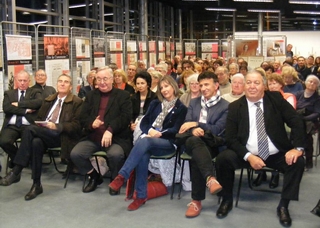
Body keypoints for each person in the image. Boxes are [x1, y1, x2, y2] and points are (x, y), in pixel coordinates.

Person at [216, 70, 306, 227]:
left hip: (275, 153)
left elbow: (296, 121)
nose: (252, 86)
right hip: (247, 153)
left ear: (264, 85)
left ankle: (283, 205)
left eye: (256, 83)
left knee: (298, 162)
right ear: (244, 86)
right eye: (248, 82)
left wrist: (297, 148)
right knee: (223, 158)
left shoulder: (276, 99)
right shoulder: (236, 106)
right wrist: (249, 156)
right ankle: (226, 199)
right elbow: (230, 138)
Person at [109, 75, 187, 211]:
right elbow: (144, 122)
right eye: (161, 87)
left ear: (174, 87)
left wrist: (161, 133)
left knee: (144, 142)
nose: (164, 90)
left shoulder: (181, 108)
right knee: (143, 153)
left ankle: (122, 175)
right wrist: (150, 131)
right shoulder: (155, 104)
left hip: (167, 142)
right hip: (150, 139)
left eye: (167, 86)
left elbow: (176, 129)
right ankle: (141, 196)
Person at [0, 74, 83, 200]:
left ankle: (17, 170)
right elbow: (39, 118)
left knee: (29, 129)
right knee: (36, 143)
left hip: (62, 136)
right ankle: (36, 184)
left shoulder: (77, 102)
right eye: (60, 81)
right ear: (57, 84)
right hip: (44, 133)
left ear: (70, 86)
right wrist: (43, 125)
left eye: (66, 82)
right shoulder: (49, 100)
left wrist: (56, 126)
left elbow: (77, 126)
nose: (62, 84)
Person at [70, 67, 132, 195]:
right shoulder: (91, 96)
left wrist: (110, 130)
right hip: (94, 136)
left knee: (115, 155)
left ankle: (116, 180)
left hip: (116, 138)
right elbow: (82, 117)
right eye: (99, 79)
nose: (102, 82)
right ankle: (94, 176)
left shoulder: (123, 96)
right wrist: (91, 123)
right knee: (76, 154)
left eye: (105, 79)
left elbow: (125, 117)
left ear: (112, 79)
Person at [178, 71, 229, 218]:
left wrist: (197, 124)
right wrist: (194, 128)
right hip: (191, 139)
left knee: (197, 155)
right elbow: (186, 123)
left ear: (216, 85)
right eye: (201, 85)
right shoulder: (194, 103)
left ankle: (196, 201)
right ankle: (210, 179)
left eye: (207, 84)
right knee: (194, 142)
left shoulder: (225, 106)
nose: (203, 88)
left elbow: (218, 130)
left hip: (212, 144)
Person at [0, 70, 42, 167]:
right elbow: (7, 108)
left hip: (28, 125)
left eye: (24, 80)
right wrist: (25, 110)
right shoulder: (9, 94)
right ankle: (18, 159)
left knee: (30, 143)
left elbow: (38, 103)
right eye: (20, 80)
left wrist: (19, 104)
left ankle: (19, 161)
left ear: (29, 81)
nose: (22, 83)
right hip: (12, 125)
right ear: (16, 81)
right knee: (3, 142)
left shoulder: (35, 92)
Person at [295, 75, 320, 171]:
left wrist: (304, 119)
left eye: (314, 83)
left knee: (307, 137)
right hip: (297, 118)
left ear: (317, 86)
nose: (312, 83)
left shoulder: (317, 98)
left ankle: (308, 162)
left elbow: (317, 113)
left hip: (310, 121)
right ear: (306, 82)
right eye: (310, 81)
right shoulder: (298, 94)